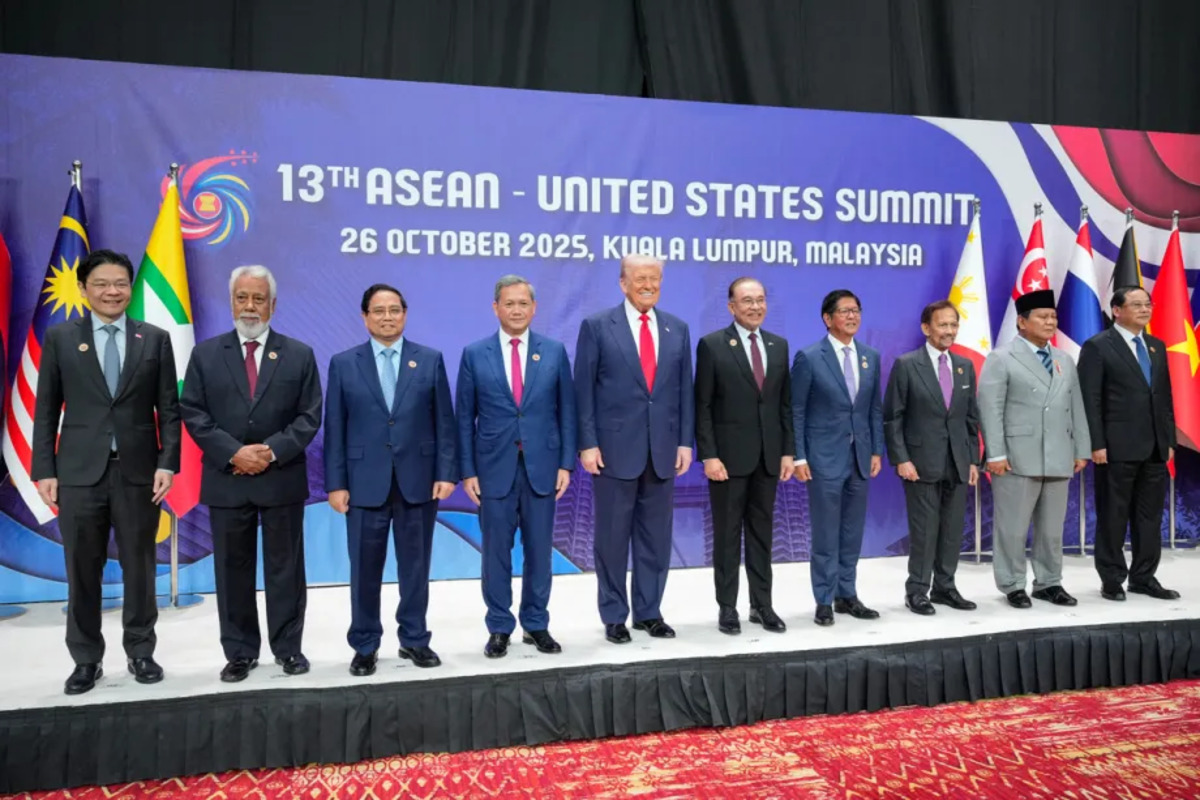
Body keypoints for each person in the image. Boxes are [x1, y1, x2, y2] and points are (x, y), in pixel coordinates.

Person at [33, 249, 180, 695]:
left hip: (138, 472)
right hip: (78, 474)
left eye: (120, 283)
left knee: (140, 567)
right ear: (83, 289)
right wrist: (45, 469)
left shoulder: (153, 339)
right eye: (101, 283)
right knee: (81, 569)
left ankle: (140, 651)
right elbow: (44, 412)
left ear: (130, 289)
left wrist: (167, 462)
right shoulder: (60, 338)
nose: (111, 291)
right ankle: (86, 659)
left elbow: (169, 411)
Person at [180, 266, 322, 682]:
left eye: (258, 298)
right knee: (231, 569)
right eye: (242, 297)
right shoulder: (206, 354)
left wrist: (271, 452)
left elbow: (309, 415)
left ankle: (288, 649)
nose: (250, 306)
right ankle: (240, 652)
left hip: (280, 479)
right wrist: (234, 453)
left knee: (286, 570)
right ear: (231, 302)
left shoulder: (299, 354)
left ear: (273, 305)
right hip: (228, 479)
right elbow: (193, 411)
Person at [324, 283, 457, 674]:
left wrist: (446, 472)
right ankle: (365, 644)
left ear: (405, 314)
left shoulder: (428, 360)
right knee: (364, 568)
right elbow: (335, 428)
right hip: (363, 484)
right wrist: (336, 483)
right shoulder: (344, 363)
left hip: (418, 481)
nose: (387, 317)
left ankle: (414, 639)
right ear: (365, 317)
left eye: (394, 310)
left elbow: (443, 423)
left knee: (415, 567)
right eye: (378, 310)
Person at [574, 254, 694, 644]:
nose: (648, 285)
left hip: (661, 451)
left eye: (654, 279)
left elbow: (683, 393)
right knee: (611, 538)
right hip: (612, 451)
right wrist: (588, 443)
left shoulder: (677, 329)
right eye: (640, 278)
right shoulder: (597, 326)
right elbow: (584, 391)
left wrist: (684, 442)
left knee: (656, 538)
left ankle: (649, 612)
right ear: (623, 283)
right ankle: (614, 615)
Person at [456, 275, 576, 658]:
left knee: (540, 551)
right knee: (496, 553)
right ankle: (499, 627)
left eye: (523, 303)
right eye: (509, 303)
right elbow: (464, 418)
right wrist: (468, 470)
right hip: (493, 470)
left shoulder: (554, 352)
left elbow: (567, 413)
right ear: (496, 308)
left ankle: (536, 624)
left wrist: (566, 464)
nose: (517, 309)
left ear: (534, 308)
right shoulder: (475, 354)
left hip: (542, 468)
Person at [978, 289, 1090, 609]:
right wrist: (995, 453)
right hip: (1016, 457)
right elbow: (990, 409)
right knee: (1012, 529)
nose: (1050, 322)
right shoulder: (1001, 358)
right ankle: (1013, 584)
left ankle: (1049, 582)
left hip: (1058, 453)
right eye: (1043, 317)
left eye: (1053, 316)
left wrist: (1081, 448)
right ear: (1022, 322)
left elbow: (1076, 407)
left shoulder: (1064, 360)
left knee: (1052, 529)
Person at [694, 277, 794, 635]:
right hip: (728, 462)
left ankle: (762, 605)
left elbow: (784, 406)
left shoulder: (778, 346)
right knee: (726, 536)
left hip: (768, 459)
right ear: (731, 306)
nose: (755, 306)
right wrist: (709, 455)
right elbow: (702, 405)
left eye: (760, 300)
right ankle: (727, 608)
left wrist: (788, 452)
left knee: (762, 535)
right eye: (747, 300)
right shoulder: (712, 346)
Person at [1078, 286, 1179, 601]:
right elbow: (1089, 400)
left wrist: (1169, 438)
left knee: (1149, 516)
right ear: (1117, 310)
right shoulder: (1098, 346)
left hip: (1154, 447)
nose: (1145, 309)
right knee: (1113, 514)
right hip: (1115, 447)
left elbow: (1163, 397)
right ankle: (1111, 578)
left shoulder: (1156, 346)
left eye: (1148, 303)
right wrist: (1096, 443)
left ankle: (1144, 577)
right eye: (1136, 304)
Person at [791, 289, 884, 626]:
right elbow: (796, 410)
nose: (852, 316)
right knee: (826, 532)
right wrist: (799, 457)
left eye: (856, 310)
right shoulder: (810, 357)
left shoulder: (870, 356)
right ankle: (824, 599)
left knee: (851, 531)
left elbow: (874, 408)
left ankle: (848, 594)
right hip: (823, 458)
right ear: (827, 319)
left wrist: (876, 449)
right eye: (844, 311)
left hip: (859, 457)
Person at [883, 300, 980, 616]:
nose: (949, 331)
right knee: (925, 531)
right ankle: (917, 592)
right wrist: (901, 458)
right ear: (926, 328)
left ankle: (945, 588)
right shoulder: (907, 365)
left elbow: (969, 419)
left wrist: (973, 460)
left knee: (952, 530)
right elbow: (893, 417)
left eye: (953, 324)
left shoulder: (964, 366)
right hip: (920, 463)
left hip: (957, 461)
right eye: (943, 324)